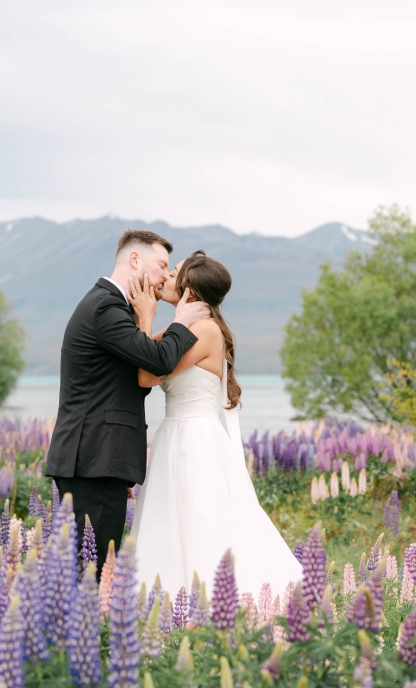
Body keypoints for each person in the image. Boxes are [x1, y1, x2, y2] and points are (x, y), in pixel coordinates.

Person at [128, 250, 303, 601]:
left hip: (195, 439)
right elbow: (144, 353)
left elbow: (146, 374)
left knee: (200, 521)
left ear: (189, 288)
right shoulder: (184, 329)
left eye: (174, 272)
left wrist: (145, 317)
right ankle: (171, 598)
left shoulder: (205, 330)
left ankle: (211, 601)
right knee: (170, 521)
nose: (167, 276)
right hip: (175, 434)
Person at [46, 230, 209, 577]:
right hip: (94, 459)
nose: (166, 275)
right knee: (94, 572)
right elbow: (159, 361)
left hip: (99, 459)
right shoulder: (106, 307)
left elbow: (133, 383)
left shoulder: (112, 306)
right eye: (162, 265)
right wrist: (181, 321)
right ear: (135, 259)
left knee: (88, 568)